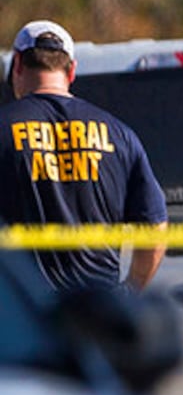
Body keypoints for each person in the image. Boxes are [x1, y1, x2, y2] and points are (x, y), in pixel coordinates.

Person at [0, 20, 167, 292]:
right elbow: (155, 230)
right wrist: (129, 292)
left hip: (24, 320)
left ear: (18, 64)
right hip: (97, 320)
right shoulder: (120, 135)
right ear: (72, 71)